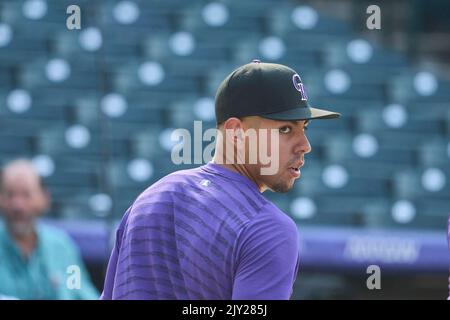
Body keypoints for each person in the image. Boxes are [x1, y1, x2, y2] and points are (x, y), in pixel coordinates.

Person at [101, 60, 340, 300]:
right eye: (286, 129)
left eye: (305, 128)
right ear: (236, 132)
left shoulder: (149, 199)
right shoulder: (267, 228)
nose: (305, 146)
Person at [0, 159, 99, 300]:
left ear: (44, 199)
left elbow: (79, 289)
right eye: (10, 195)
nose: (18, 205)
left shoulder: (62, 247)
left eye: (26, 195)